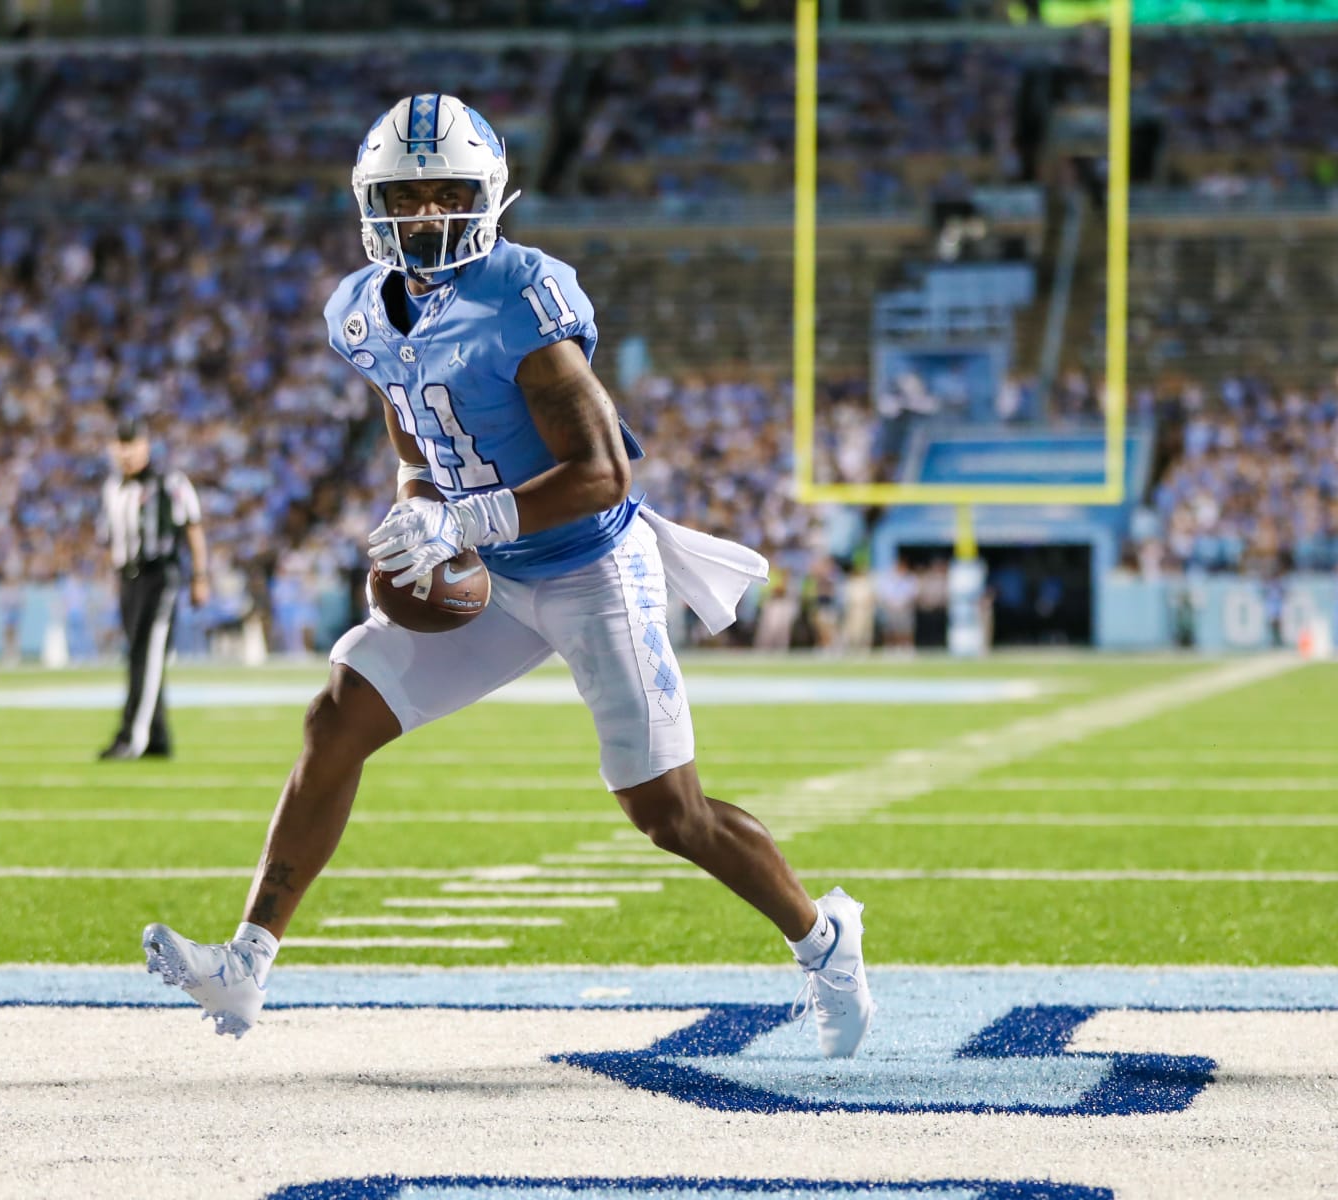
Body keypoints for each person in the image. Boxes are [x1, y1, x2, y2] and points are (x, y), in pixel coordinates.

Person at [141, 95, 875, 1058]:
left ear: (491, 197)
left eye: (450, 193)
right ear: (374, 204)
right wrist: (415, 501)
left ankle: (824, 943)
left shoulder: (522, 292)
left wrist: (463, 518)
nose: (429, 216)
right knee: (338, 714)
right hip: (490, 568)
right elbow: (410, 415)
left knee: (668, 813)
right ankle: (246, 965)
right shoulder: (362, 308)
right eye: (408, 196)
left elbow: (604, 470)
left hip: (589, 564)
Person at [97, 419, 211, 761]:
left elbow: (193, 528)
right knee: (139, 655)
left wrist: (200, 576)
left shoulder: (169, 482)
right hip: (127, 578)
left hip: (159, 576)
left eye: (132, 443)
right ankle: (157, 736)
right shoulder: (112, 487)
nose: (127, 452)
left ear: (146, 445)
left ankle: (132, 736)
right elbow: (111, 540)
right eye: (121, 444)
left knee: (146, 656)